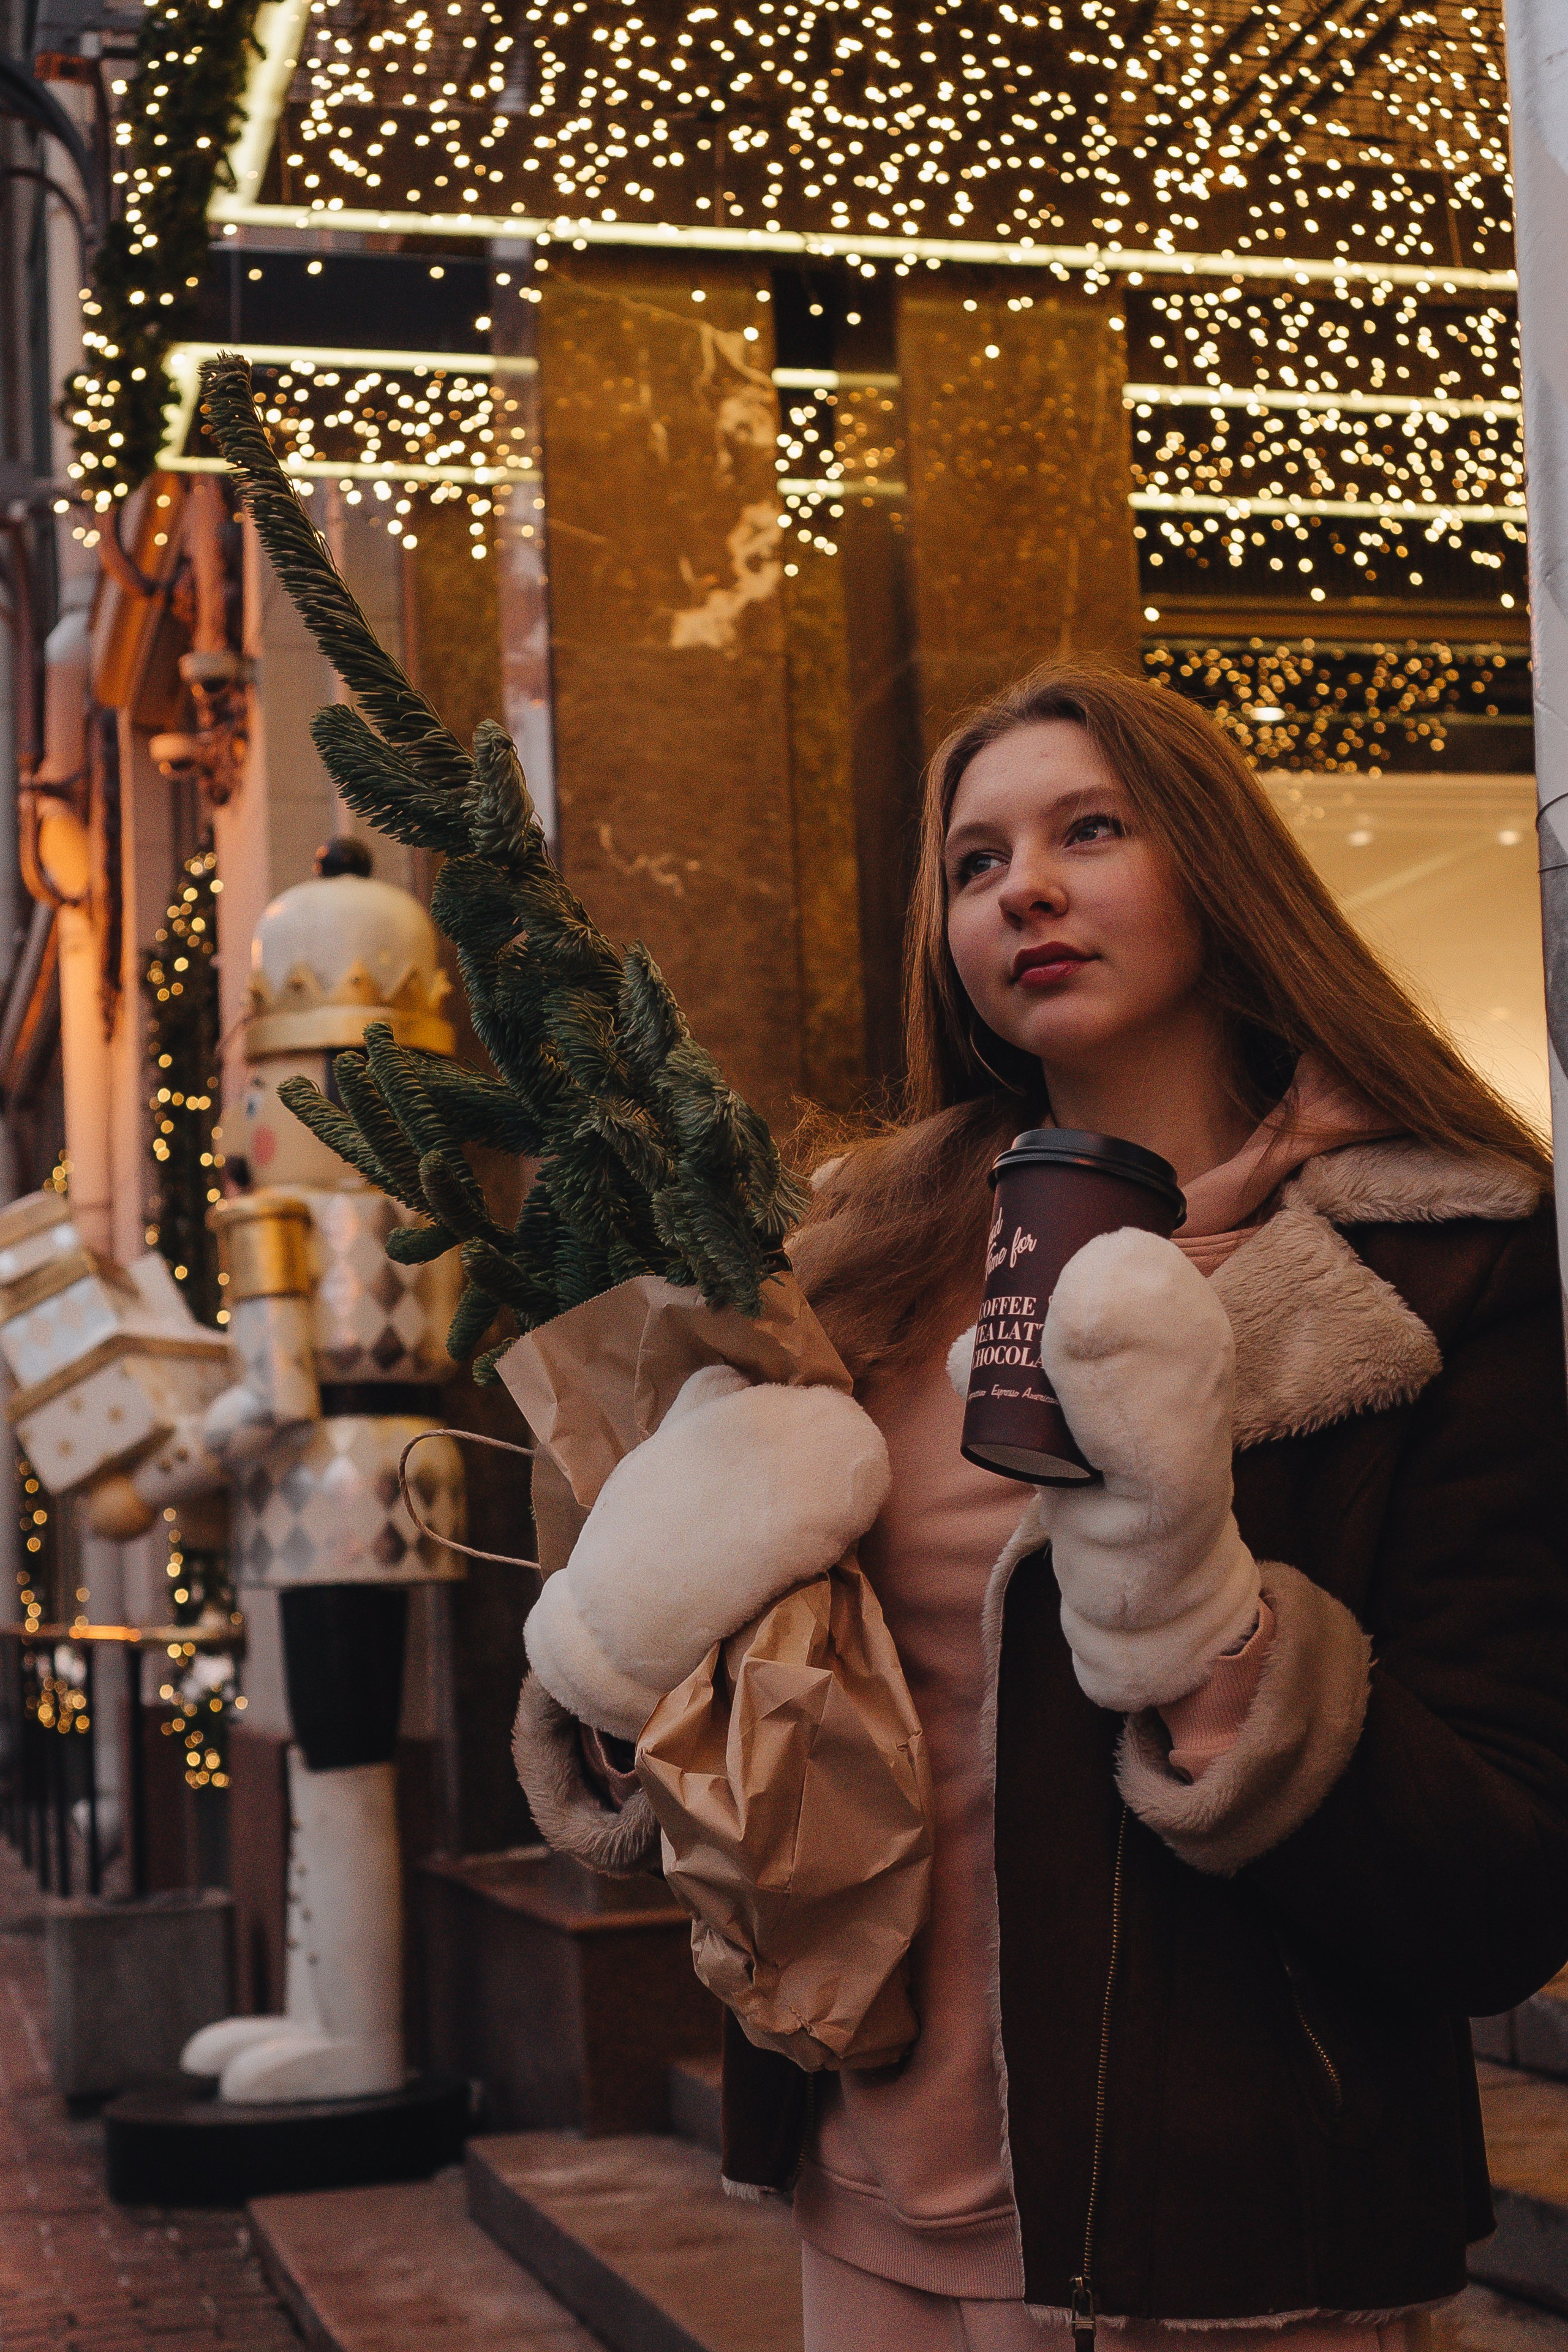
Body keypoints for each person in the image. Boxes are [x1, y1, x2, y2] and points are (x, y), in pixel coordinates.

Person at [523, 666, 1568, 2349]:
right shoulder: (851, 1273)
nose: (1026, 888)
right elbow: (708, 1751)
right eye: (975, 861)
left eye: (1092, 830)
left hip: (1235, 2236)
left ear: (1222, 873)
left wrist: (1209, 1639)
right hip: (864, 2192)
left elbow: (1505, 1881)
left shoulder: (1437, 1265)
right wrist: (628, 1622)